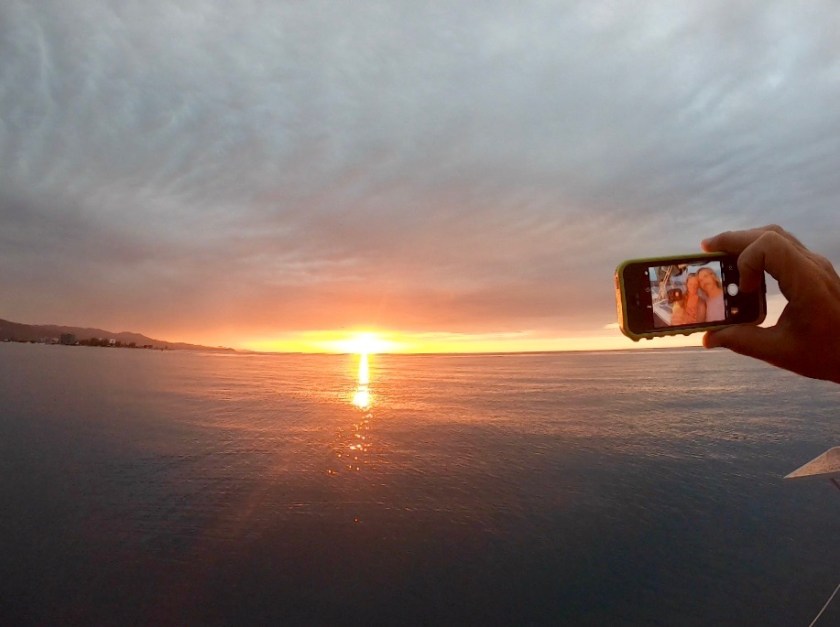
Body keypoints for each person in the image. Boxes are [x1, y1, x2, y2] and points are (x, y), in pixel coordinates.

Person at [701, 225, 840, 385]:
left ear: (714, 277)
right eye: (700, 280)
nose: (703, 281)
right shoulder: (704, 302)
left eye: (705, 276)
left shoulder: (710, 301)